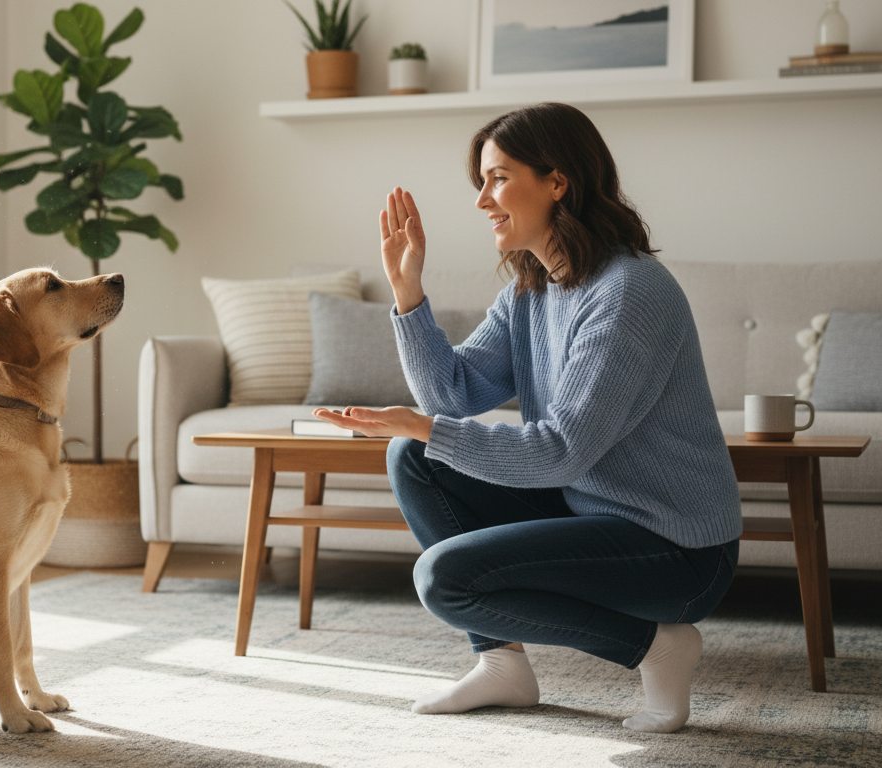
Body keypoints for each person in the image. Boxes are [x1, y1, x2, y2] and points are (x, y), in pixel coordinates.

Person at [312, 102, 741, 734]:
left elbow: (561, 450)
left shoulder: (627, 293)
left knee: (445, 579)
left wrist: (422, 426)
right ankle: (502, 667)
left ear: (557, 181)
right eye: (480, 182)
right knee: (414, 457)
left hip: (676, 552)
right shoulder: (532, 289)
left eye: (498, 178)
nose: (483, 200)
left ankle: (655, 644)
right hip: (591, 513)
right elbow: (451, 394)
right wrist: (408, 291)